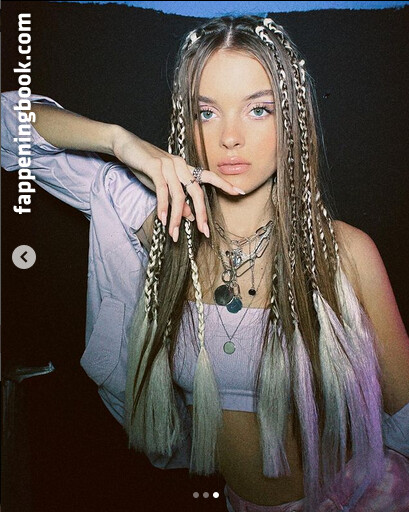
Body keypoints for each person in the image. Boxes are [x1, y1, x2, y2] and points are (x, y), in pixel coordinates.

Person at [2, 14, 409, 512]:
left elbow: (404, 417)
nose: (230, 138)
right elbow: (8, 125)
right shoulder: (157, 225)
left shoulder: (343, 253)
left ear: (292, 120)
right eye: (207, 112)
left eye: (258, 109)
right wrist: (120, 142)